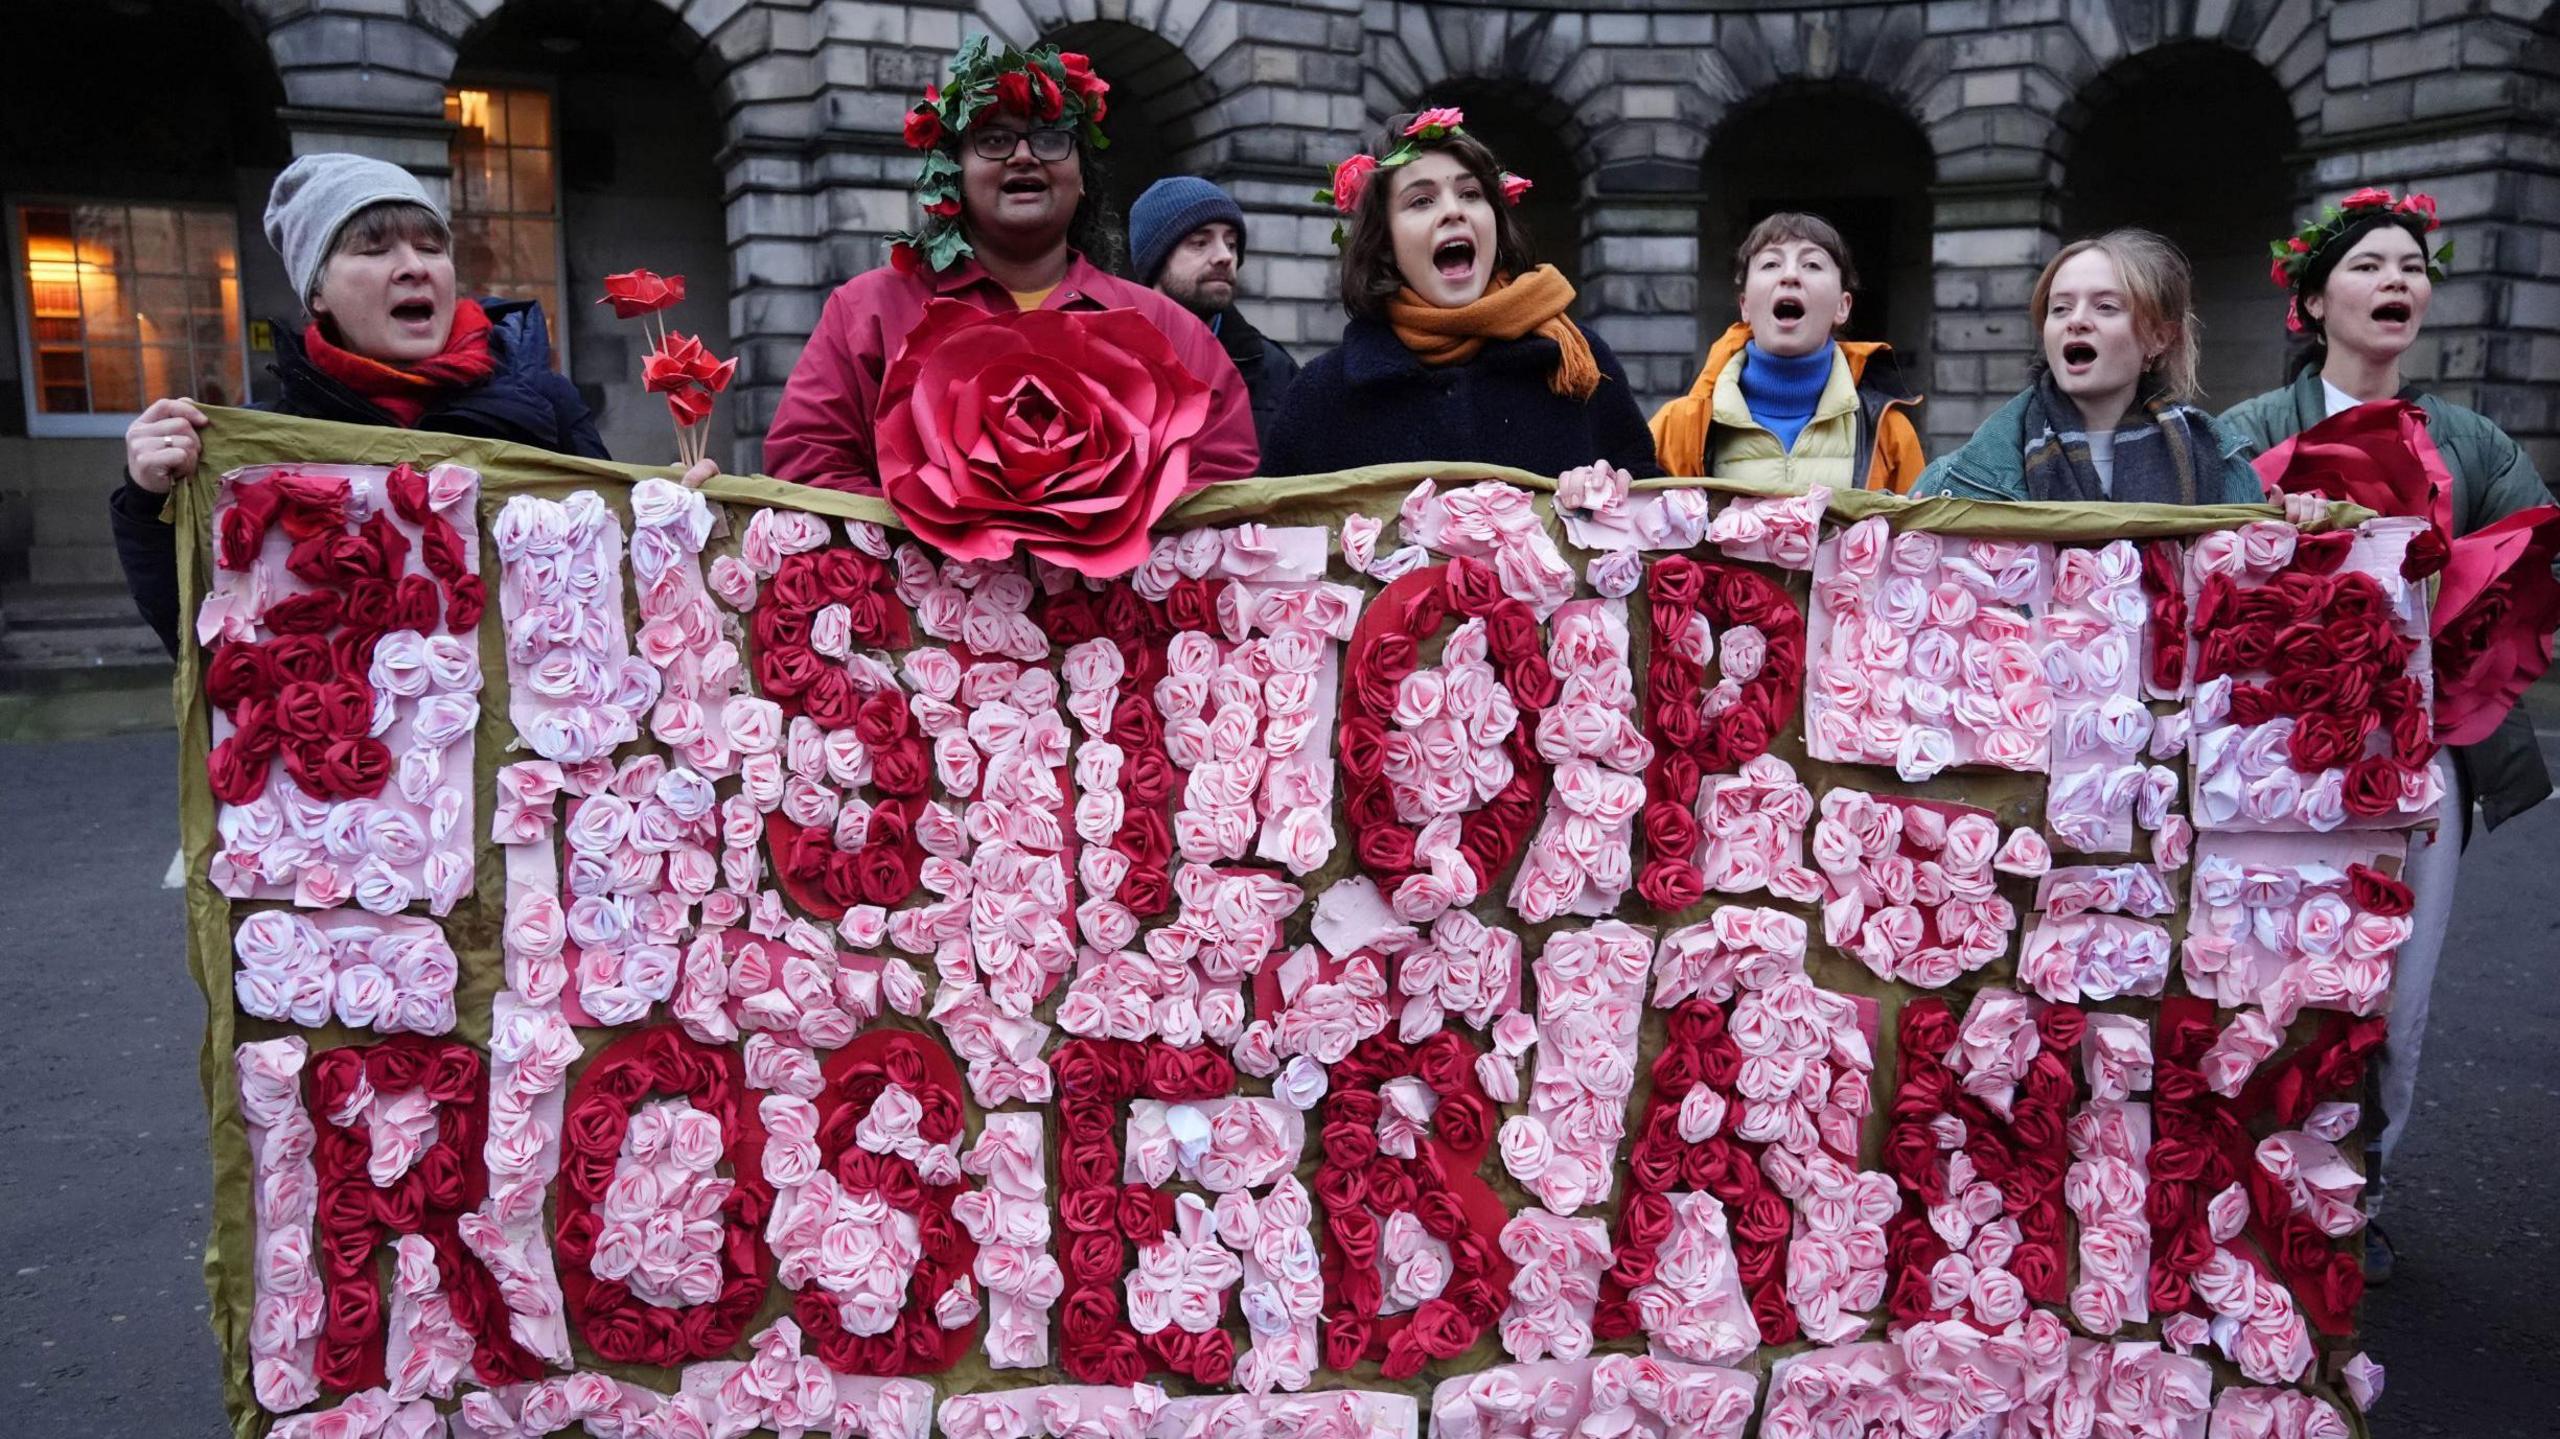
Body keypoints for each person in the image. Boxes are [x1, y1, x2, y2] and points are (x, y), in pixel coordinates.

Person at [2219, 186, 2557, 1283]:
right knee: (2262, 978)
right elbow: (2187, 557)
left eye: (2410, 266)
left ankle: (2358, 1189)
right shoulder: (2247, 432)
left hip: (2419, 754)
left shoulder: (2472, 440)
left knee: (2395, 997)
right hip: (2265, 755)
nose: (2396, 281)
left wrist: (2462, 593)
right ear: (2313, 300)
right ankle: (2240, 1184)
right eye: (2368, 264)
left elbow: (2533, 559)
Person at [111, 153, 704, 658]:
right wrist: (148, 502)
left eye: (430, 247)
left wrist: (676, 517)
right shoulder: (269, 440)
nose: (414, 267)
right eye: (373, 250)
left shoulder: (545, 401)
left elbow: (617, 577)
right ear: (317, 291)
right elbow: (199, 628)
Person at [764, 40, 1258, 493]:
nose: (1024, 156)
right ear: (953, 175)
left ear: (1082, 178)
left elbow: (1223, 483)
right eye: (995, 140)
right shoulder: (866, 312)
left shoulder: (1174, 333)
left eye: (1049, 140)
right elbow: (808, 468)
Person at [1259, 109, 1660, 480]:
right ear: (1384, 242)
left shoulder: (1576, 357)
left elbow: (1653, 518)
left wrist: (1611, 502)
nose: (1454, 211)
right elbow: (1272, 535)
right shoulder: (1323, 394)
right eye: (1421, 200)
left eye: (1470, 194)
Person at [1914, 229, 2266, 505]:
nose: (2076, 321)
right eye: (2061, 308)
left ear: (2159, 336)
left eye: (2106, 307)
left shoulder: (2222, 468)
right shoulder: (1957, 480)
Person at [1650, 211, 1924, 492]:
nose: (1790, 275)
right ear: (1745, 305)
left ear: (1843, 306)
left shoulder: (1890, 434)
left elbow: (1919, 535)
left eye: (1812, 264)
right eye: (1771, 264)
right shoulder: (1680, 426)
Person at [1129, 176, 1299, 445]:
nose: (1225, 256)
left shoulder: (1274, 368)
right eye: (1200, 242)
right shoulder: (1111, 360)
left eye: (1231, 244)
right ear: (1156, 261)